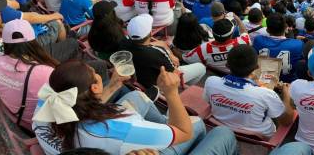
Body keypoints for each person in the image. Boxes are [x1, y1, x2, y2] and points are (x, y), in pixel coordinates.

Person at [31, 60, 238, 155]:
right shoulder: (120, 127)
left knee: (137, 95)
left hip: (99, 139)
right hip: (128, 142)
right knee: (206, 127)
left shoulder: (49, 100)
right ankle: (167, 130)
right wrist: (172, 93)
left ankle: (166, 127)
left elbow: (80, 108)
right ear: (94, 87)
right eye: (95, 74)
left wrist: (113, 85)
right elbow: (185, 132)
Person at [0, 19, 58, 128]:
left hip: (16, 116)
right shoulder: (45, 72)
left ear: (4, 42)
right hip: (39, 126)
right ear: (33, 41)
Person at [203, 45, 295, 138]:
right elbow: (287, 121)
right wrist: (286, 93)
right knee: (275, 109)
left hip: (221, 126)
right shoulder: (266, 94)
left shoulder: (211, 82)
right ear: (256, 67)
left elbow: (209, 102)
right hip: (260, 136)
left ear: (227, 65)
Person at [118, 14, 206, 91]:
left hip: (141, 80)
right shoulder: (156, 53)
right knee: (201, 67)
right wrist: (170, 55)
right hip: (159, 85)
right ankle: (182, 88)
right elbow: (175, 71)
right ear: (150, 33)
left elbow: (141, 45)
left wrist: (162, 45)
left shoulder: (123, 42)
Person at [183, 18, 251, 73]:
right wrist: (238, 19)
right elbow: (244, 32)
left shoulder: (203, 49)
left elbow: (186, 58)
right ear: (231, 35)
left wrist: (172, 49)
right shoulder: (241, 42)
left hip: (214, 75)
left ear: (213, 33)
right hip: (236, 73)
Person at [253, 13, 304, 83]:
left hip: (264, 82)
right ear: (286, 28)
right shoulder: (298, 44)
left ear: (267, 30)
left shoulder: (258, 40)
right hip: (288, 83)